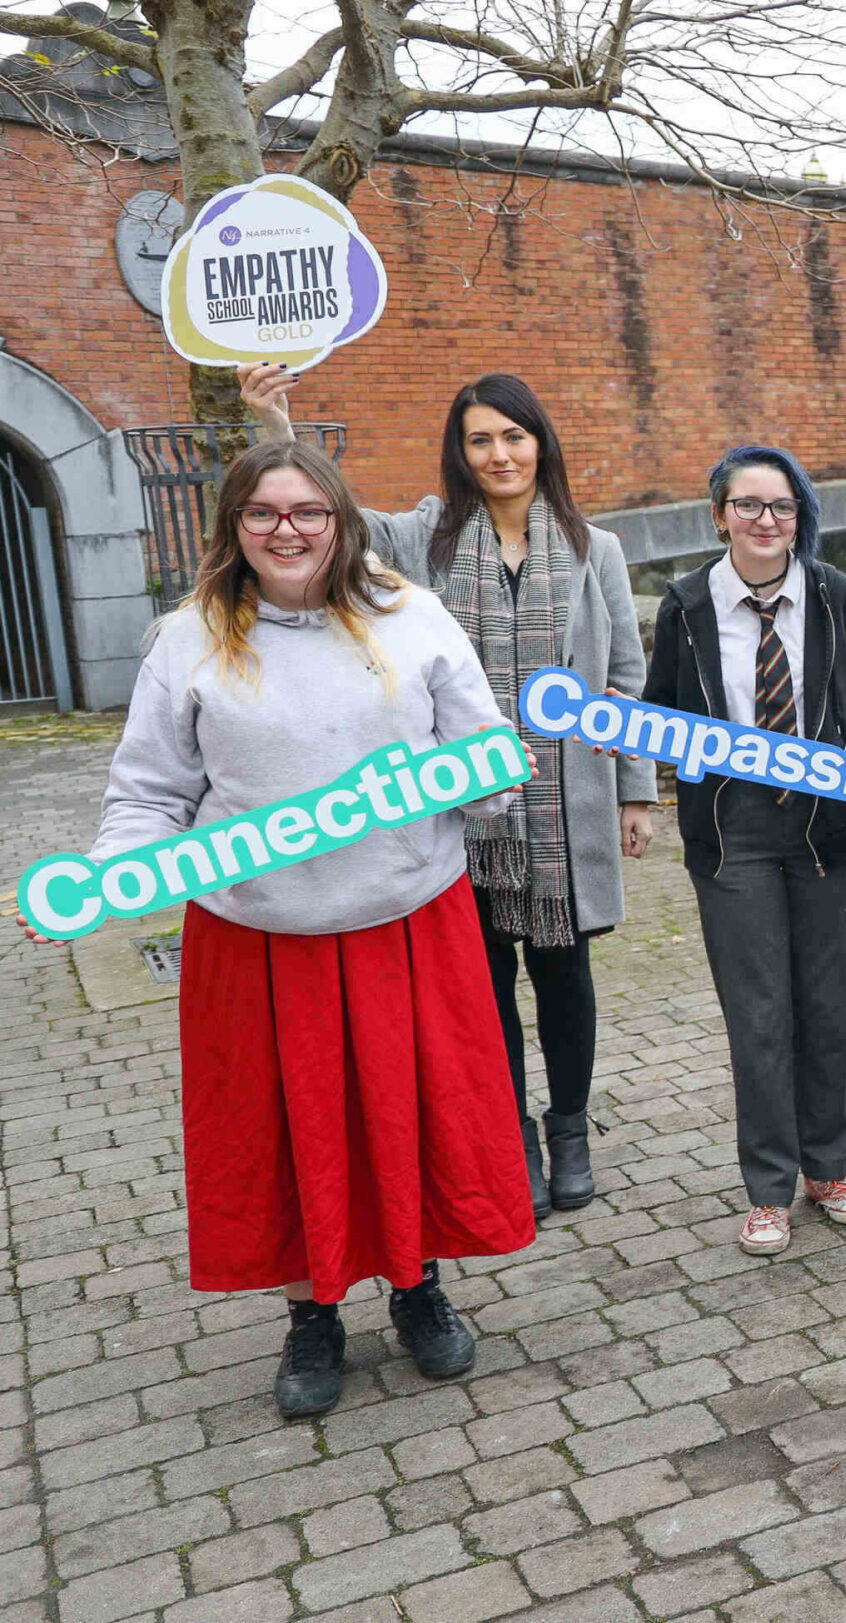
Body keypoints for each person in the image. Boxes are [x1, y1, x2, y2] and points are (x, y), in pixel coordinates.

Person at [35, 441, 535, 1418]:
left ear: (341, 520)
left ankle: (417, 1287)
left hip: (403, 921)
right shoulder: (188, 640)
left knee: (405, 1114)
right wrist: (101, 880)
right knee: (292, 1130)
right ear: (234, 529)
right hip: (258, 938)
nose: (287, 529)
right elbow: (149, 790)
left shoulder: (412, 617)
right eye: (264, 513)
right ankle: (313, 1317)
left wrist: (488, 780)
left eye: (307, 510)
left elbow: (484, 750)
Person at [240, 365, 654, 1222]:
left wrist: (635, 792)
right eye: (481, 440)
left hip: (564, 803)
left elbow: (624, 679)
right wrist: (274, 424)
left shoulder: (594, 547)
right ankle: (512, 1137)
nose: (500, 454)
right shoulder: (425, 539)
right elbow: (324, 520)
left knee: (565, 973)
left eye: (514, 435)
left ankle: (569, 1127)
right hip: (459, 804)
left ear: (540, 442)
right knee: (485, 980)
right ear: (459, 453)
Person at [641, 446, 846, 1256]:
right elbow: (658, 717)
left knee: (824, 1004)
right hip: (733, 833)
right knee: (757, 1013)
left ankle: (829, 1168)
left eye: (781, 507)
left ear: (800, 517)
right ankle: (767, 1187)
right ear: (718, 513)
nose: (765, 521)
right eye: (748, 506)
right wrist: (660, 754)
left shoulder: (835, 596)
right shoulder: (683, 607)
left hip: (828, 830)